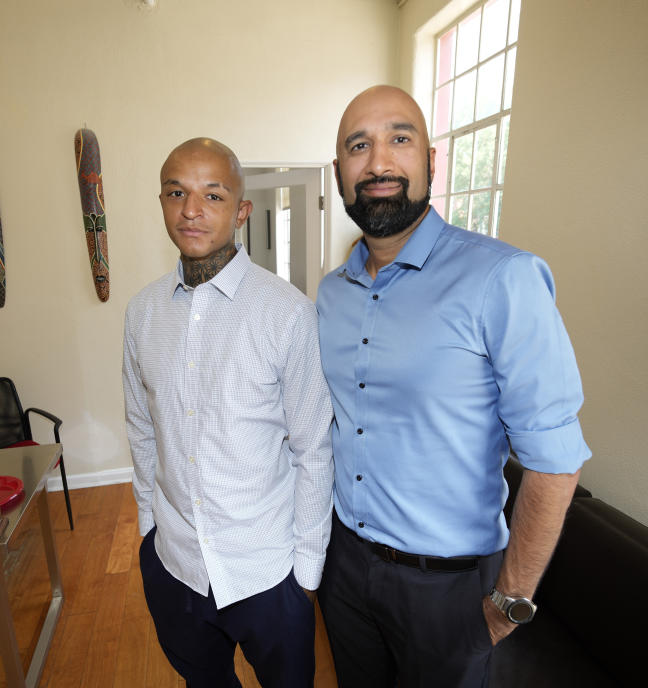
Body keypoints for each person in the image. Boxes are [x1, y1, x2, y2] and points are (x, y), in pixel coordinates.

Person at [315, 85, 591, 687]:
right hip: (345, 569)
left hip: (449, 588)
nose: (379, 162)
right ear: (339, 172)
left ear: (431, 161)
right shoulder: (330, 294)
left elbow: (555, 462)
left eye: (400, 139)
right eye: (358, 146)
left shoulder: (503, 278)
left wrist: (509, 601)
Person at [123, 137, 334, 687]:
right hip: (174, 564)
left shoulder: (286, 313)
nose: (191, 210)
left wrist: (305, 572)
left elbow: (314, 444)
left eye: (212, 196)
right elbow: (141, 428)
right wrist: (149, 530)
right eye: (177, 193)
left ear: (241, 211)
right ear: (162, 202)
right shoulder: (143, 312)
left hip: (267, 572)